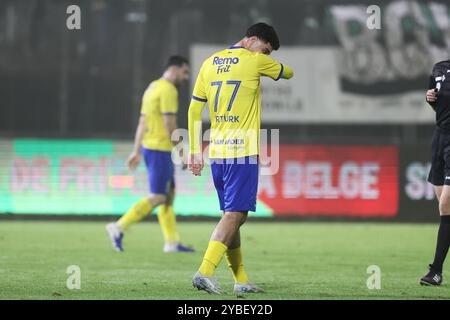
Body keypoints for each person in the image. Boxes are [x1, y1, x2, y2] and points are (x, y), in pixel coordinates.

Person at [187, 22, 293, 294]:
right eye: (266, 49)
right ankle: (205, 271)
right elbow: (289, 73)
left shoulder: (209, 63)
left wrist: (194, 149)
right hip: (242, 152)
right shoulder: (255, 61)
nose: (266, 55)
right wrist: (268, 64)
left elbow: (193, 110)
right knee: (235, 215)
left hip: (217, 152)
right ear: (253, 39)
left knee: (233, 216)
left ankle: (241, 280)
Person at [106, 56, 195, 253]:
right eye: (185, 72)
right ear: (174, 69)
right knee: (158, 196)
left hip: (149, 147)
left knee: (168, 194)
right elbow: (169, 124)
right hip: (160, 149)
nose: (186, 77)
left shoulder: (152, 87)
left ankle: (172, 242)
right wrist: (182, 152)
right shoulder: (168, 90)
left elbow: (142, 122)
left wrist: (136, 150)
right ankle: (119, 226)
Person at [420, 59, 450, 285]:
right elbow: (436, 99)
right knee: (444, 209)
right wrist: (430, 99)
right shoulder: (439, 68)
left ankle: (436, 272)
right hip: (439, 138)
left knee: (446, 205)